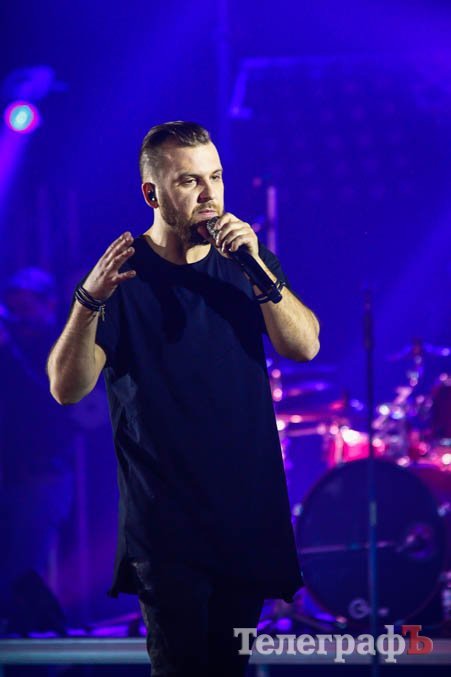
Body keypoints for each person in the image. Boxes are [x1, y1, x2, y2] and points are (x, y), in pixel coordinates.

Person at [47, 121, 320, 675]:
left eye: (215, 177)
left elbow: (305, 346)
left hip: (246, 516)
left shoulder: (247, 263)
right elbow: (66, 389)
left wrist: (259, 271)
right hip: (166, 527)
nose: (209, 194)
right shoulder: (121, 276)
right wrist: (87, 301)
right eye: (190, 181)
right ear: (153, 194)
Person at [0, 268, 73, 635]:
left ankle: (37, 643)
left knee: (23, 567)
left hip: (41, 476)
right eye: (13, 307)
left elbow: (51, 404)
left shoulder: (60, 343)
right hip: (9, 473)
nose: (19, 316)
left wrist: (9, 352)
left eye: (26, 307)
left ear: (48, 305)